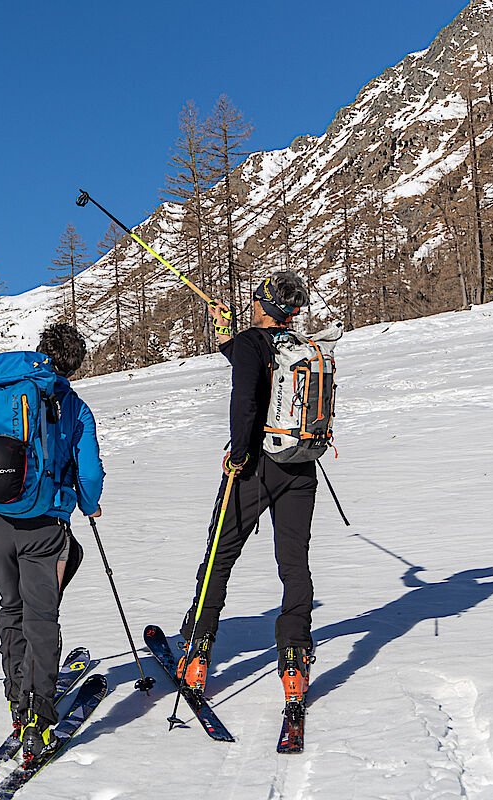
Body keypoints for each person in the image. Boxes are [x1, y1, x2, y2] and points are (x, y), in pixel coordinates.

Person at [0, 322, 104, 761]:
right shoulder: (71, 403)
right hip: (44, 526)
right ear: (73, 365)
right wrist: (88, 504)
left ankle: (17, 699)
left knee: (10, 607)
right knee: (41, 618)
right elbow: (88, 471)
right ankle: (38, 716)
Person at [176, 271, 318, 706]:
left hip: (254, 468)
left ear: (262, 303)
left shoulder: (253, 343)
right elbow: (241, 354)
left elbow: (245, 401)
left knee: (220, 554)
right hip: (300, 467)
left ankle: (197, 653)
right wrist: (223, 330)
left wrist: (238, 456)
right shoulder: (303, 348)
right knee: (294, 562)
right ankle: (294, 659)